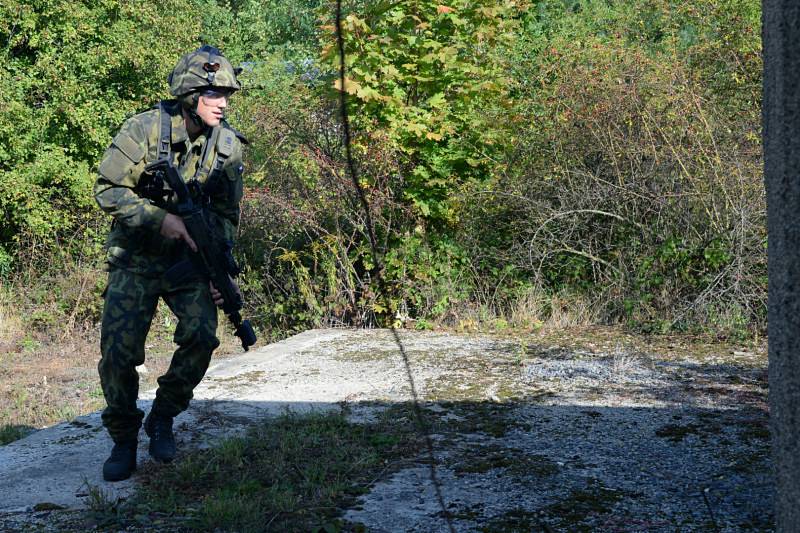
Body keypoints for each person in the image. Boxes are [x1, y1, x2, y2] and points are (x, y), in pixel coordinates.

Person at [93, 45, 247, 482]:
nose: (223, 103)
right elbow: (107, 189)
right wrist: (160, 220)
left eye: (227, 95)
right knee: (118, 354)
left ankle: (162, 417)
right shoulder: (142, 130)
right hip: (136, 259)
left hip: (189, 264)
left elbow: (226, 216)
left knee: (202, 335)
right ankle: (124, 438)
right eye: (214, 94)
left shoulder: (228, 147)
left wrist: (221, 269)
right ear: (189, 95)